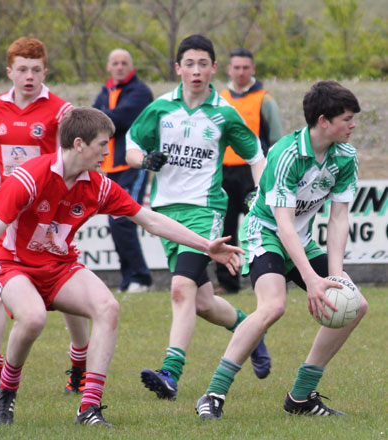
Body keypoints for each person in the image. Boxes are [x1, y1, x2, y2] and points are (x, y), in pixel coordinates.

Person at [0, 107, 243, 427]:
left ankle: (89, 408)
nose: (108, 152)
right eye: (102, 144)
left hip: (58, 265)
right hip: (11, 264)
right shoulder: (30, 176)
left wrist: (207, 245)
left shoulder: (98, 185)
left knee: (108, 307)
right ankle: (6, 392)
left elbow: (149, 219)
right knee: (33, 317)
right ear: (79, 144)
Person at [195, 80, 368, 420]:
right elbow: (283, 224)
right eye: (347, 118)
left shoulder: (345, 156)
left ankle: (301, 397)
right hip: (267, 232)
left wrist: (333, 276)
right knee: (273, 306)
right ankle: (212, 394)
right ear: (323, 121)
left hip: (300, 238)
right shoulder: (285, 155)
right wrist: (311, 279)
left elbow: (338, 219)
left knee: (355, 305)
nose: (353, 125)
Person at [125, 34, 271, 401]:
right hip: (165, 214)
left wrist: (262, 196)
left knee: (180, 289)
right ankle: (249, 329)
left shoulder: (224, 113)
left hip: (206, 211)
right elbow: (129, 145)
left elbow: (255, 155)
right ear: (177, 68)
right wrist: (145, 160)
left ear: (213, 69)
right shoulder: (160, 109)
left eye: (202, 64)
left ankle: (170, 372)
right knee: (202, 303)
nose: (195, 71)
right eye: (188, 64)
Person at [0, 37, 89, 399]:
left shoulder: (62, 111)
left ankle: (80, 365)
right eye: (22, 69)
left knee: (65, 282)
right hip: (7, 207)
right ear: (9, 71)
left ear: (45, 71)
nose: (29, 76)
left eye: (36, 69)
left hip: (48, 212)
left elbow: (76, 153)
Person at [215, 48, 283, 294]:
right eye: (236, 67)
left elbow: (276, 139)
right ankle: (227, 282)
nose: (241, 72)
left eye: (245, 67)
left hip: (255, 173)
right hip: (224, 173)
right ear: (228, 69)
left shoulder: (265, 99)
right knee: (225, 230)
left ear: (252, 69)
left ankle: (279, 274)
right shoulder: (219, 97)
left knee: (266, 224)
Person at [93, 49, 153, 293]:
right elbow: (94, 120)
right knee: (115, 220)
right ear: (109, 67)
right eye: (115, 63)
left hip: (133, 164)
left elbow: (114, 121)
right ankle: (129, 279)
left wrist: (100, 118)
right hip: (111, 167)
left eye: (124, 63)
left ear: (131, 66)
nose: (119, 67)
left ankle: (140, 278)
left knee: (124, 219)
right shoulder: (106, 91)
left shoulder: (140, 92)